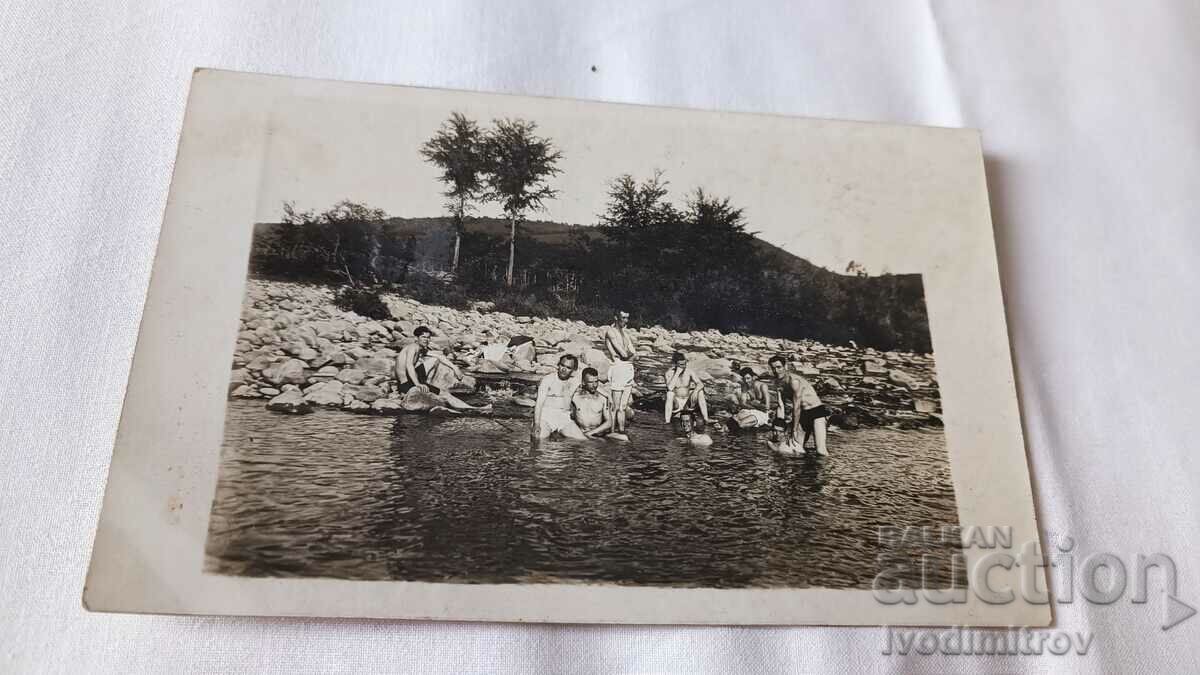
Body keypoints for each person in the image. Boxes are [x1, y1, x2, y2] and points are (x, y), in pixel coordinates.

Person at [395, 326, 490, 411]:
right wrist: (418, 384)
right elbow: (409, 365)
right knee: (444, 393)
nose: (426, 340)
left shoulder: (421, 349)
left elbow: (440, 357)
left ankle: (427, 383)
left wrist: (455, 368)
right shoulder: (413, 347)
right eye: (423, 337)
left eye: (428, 338)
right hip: (405, 384)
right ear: (416, 338)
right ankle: (472, 409)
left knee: (434, 359)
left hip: (408, 381)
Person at [768, 353, 829, 455]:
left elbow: (796, 407)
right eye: (773, 368)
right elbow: (781, 406)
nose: (776, 371)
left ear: (785, 367)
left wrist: (794, 430)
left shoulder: (794, 381)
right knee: (796, 448)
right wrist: (778, 427)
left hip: (816, 412)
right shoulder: (778, 383)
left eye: (779, 367)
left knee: (821, 451)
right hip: (803, 415)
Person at [532, 354, 587, 440]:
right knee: (539, 439)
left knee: (583, 440)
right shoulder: (548, 380)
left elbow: (592, 382)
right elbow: (539, 404)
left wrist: (608, 395)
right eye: (562, 365)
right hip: (546, 417)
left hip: (564, 418)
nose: (564, 369)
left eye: (568, 368)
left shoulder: (574, 381)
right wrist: (537, 423)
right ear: (558, 365)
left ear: (574, 370)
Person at [603, 310, 638, 434]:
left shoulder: (625, 333)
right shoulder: (611, 332)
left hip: (628, 369)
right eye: (623, 317)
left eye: (627, 318)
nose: (625, 321)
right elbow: (624, 353)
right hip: (618, 368)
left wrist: (630, 355)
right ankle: (612, 431)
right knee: (615, 406)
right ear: (616, 317)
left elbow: (634, 353)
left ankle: (621, 431)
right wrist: (630, 355)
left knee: (623, 407)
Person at [571, 367, 626, 441]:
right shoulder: (575, 397)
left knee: (624, 438)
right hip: (580, 433)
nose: (594, 385)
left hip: (597, 433)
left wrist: (590, 433)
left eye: (596, 381)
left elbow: (609, 422)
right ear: (583, 382)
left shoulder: (602, 398)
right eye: (591, 382)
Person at [664, 352, 710, 424]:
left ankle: (706, 419)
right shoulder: (669, 373)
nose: (683, 366)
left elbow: (700, 384)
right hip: (677, 404)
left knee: (700, 392)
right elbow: (670, 388)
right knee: (669, 394)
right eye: (681, 365)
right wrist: (677, 373)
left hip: (687, 403)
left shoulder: (689, 371)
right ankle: (667, 421)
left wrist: (696, 391)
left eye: (685, 364)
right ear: (675, 364)